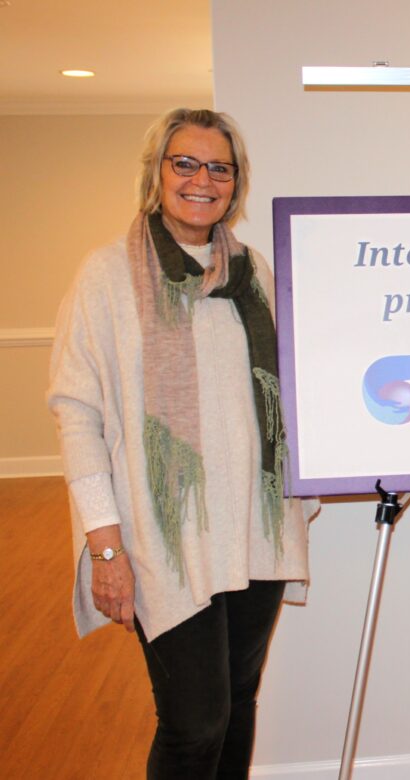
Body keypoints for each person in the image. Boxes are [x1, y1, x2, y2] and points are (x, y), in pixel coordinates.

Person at [47, 108, 315, 778]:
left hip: (255, 531)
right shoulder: (106, 276)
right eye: (185, 163)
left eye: (219, 167)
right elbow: (76, 411)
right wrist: (103, 544)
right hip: (162, 539)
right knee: (194, 722)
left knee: (239, 703)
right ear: (157, 174)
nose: (203, 179)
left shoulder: (252, 271)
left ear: (236, 182)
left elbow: (292, 385)